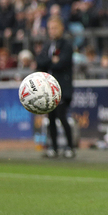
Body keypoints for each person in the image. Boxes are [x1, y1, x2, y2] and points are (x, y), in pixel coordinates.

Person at [36, 17, 75, 158]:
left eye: (54, 28)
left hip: (62, 88)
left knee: (61, 116)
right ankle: (54, 148)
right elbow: (39, 62)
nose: (52, 31)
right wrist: (51, 61)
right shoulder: (48, 45)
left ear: (61, 28)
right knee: (51, 118)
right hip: (48, 89)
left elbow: (61, 63)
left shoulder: (66, 45)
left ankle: (70, 147)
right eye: (50, 28)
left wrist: (50, 62)